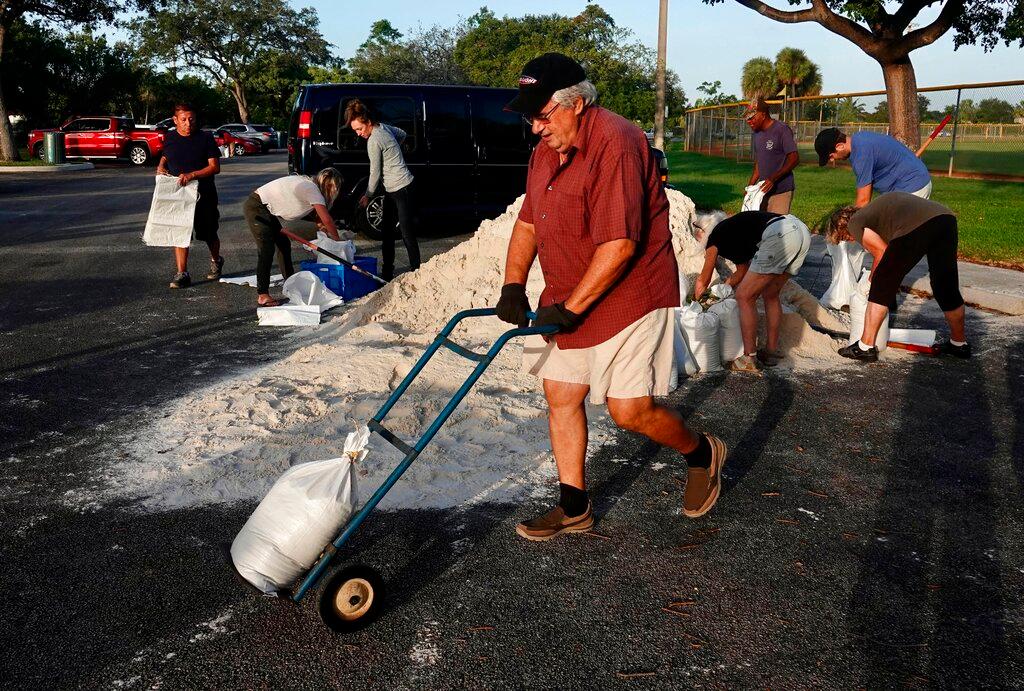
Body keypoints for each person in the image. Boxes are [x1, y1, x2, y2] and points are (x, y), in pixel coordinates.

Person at [496, 53, 728, 541]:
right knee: (560, 393)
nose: (536, 127)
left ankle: (701, 452)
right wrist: (513, 284)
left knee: (629, 410)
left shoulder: (618, 144)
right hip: (570, 292)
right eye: (530, 117)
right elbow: (529, 221)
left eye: (542, 115)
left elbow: (620, 245)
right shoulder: (546, 150)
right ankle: (574, 506)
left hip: (632, 293)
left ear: (576, 104)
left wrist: (571, 310)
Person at [825, 193, 970, 362]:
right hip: (945, 219)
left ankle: (865, 347)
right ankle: (959, 344)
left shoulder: (854, 223)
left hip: (917, 224)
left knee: (882, 283)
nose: (850, 240)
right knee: (945, 286)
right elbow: (884, 251)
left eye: (844, 237)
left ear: (841, 227)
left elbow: (881, 252)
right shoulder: (876, 216)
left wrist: (871, 281)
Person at [692, 211, 812, 372]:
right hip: (801, 232)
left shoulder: (715, 237)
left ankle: (749, 357)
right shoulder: (735, 231)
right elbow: (742, 271)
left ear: (702, 231)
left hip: (779, 234)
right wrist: (724, 287)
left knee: (744, 296)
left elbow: (703, 279)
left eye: (697, 236)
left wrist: (698, 304)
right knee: (770, 294)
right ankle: (770, 351)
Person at [243, 169, 345, 306]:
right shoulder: (312, 189)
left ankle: (291, 283)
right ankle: (263, 295)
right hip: (257, 207)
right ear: (329, 185)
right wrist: (337, 242)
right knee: (266, 249)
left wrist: (325, 236)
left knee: (283, 244)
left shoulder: (309, 185)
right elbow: (327, 220)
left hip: (265, 207)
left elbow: (320, 221)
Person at [344, 99, 419, 281]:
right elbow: (402, 133)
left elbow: (374, 172)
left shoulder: (374, 140)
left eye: (360, 129)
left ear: (368, 122)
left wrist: (367, 195)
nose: (359, 133)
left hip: (402, 187)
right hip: (392, 188)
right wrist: (393, 151)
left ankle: (417, 270)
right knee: (387, 232)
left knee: (406, 232)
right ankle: (387, 272)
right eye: (355, 130)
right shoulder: (383, 128)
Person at [155, 103, 223, 289]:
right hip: (178, 193)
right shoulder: (170, 138)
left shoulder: (206, 138)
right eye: (183, 119)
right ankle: (182, 273)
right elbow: (166, 155)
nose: (188, 123)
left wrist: (192, 175)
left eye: (191, 119)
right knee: (180, 232)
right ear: (175, 120)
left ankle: (216, 260)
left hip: (204, 193)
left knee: (209, 233)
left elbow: (214, 167)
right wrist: (161, 165)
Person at [814, 127, 932, 207]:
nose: (832, 159)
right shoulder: (860, 138)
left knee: (896, 234)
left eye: (831, 156)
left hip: (912, 188)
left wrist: (851, 228)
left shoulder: (861, 155)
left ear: (839, 146)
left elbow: (863, 201)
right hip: (908, 184)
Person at [744, 97, 799, 214]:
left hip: (781, 191)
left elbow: (794, 159)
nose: (748, 121)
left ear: (763, 115)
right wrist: (750, 186)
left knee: (777, 227)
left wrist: (773, 179)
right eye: (747, 118)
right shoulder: (757, 134)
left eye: (752, 118)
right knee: (761, 226)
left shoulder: (781, 130)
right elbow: (759, 162)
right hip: (763, 191)